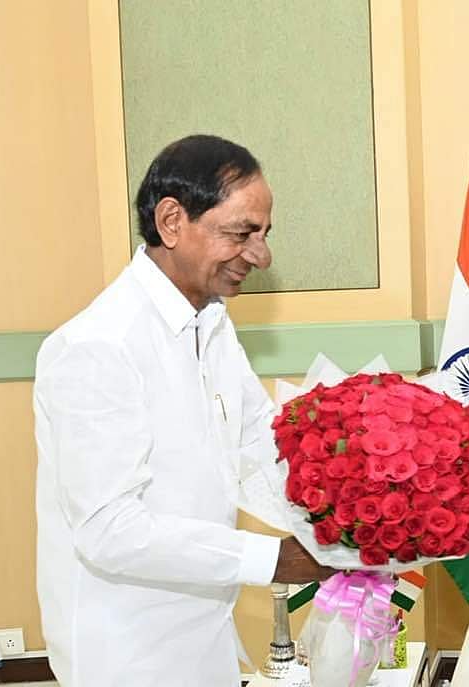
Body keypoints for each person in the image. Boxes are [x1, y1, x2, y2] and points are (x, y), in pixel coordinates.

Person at [34, 135, 334, 687]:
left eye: (265, 235)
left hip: (205, 636)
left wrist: (347, 506)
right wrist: (273, 560)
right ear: (172, 221)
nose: (261, 255)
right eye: (242, 232)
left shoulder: (212, 322)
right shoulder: (98, 346)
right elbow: (109, 530)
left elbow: (259, 446)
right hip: (127, 652)